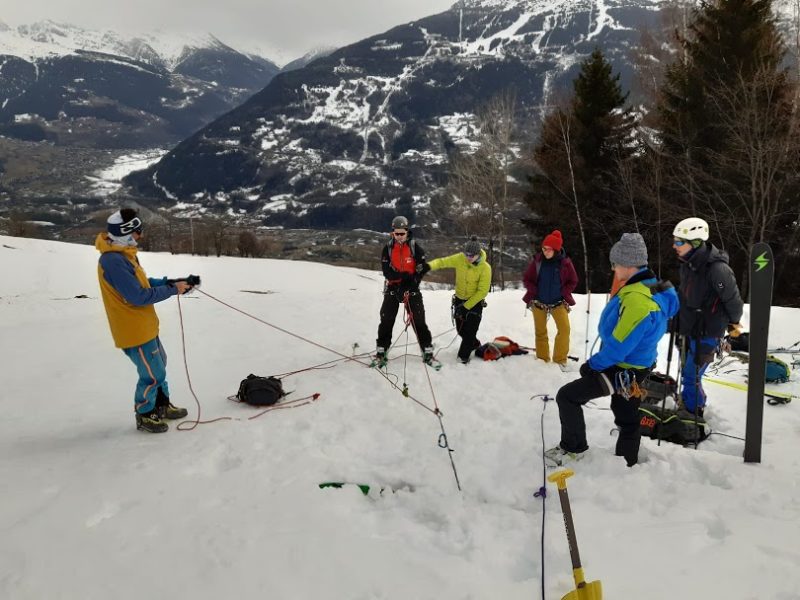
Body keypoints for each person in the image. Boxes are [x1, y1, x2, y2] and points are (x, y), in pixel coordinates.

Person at [545, 233, 678, 467]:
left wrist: (592, 366)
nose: (614, 269)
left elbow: (620, 346)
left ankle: (573, 448)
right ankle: (627, 462)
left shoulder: (637, 300)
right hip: (638, 366)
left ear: (628, 264)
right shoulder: (652, 288)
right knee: (626, 415)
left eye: (615, 264)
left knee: (567, 396)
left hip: (622, 369)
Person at [96, 208, 195, 433]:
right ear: (125, 233)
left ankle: (161, 405)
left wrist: (169, 282)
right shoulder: (113, 261)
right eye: (137, 232)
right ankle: (145, 413)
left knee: (160, 364)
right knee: (153, 373)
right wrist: (171, 290)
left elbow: (142, 282)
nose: (140, 236)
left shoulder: (123, 254)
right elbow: (137, 296)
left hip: (145, 325)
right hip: (133, 329)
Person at [672, 217, 744, 416]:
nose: (674, 246)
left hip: (707, 332)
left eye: (679, 242)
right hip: (688, 328)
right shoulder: (687, 264)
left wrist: (733, 324)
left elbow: (733, 300)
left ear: (695, 243)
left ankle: (693, 412)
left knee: (691, 376)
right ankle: (690, 404)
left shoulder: (717, 269)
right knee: (687, 372)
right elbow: (685, 296)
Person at [374, 216, 434, 366]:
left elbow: (421, 268)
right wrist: (403, 277)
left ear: (407, 232)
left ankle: (427, 349)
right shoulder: (387, 249)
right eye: (396, 233)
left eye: (402, 233)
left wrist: (413, 281)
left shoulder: (415, 247)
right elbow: (387, 271)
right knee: (386, 319)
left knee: (418, 320)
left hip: (411, 288)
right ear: (392, 233)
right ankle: (382, 350)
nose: (399, 236)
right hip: (393, 288)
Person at [423, 236, 492, 364]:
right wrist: (428, 266)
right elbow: (443, 262)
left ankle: (463, 358)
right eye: (467, 255)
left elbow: (482, 291)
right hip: (459, 300)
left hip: (475, 303)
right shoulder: (460, 259)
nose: (468, 258)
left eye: (472, 256)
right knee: (461, 330)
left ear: (478, 254)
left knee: (470, 330)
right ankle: (474, 343)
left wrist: (466, 307)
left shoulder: (485, 268)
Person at [522, 230, 578, 365]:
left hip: (558, 303)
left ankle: (559, 360)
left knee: (564, 330)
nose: (545, 251)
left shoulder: (565, 263)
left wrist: (563, 291)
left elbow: (573, 281)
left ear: (556, 250)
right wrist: (534, 290)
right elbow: (527, 279)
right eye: (544, 248)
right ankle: (542, 359)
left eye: (548, 249)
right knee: (540, 332)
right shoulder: (537, 262)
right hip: (538, 303)